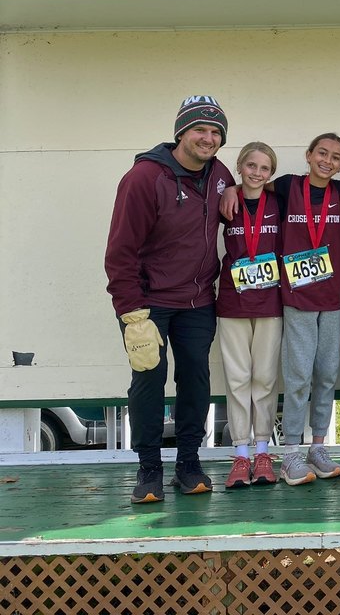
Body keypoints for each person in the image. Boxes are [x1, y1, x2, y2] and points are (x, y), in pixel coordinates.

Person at [105, 94, 232, 503]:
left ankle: (189, 462)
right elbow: (120, 252)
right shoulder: (144, 178)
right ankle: (149, 469)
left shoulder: (219, 174)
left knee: (195, 379)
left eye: (215, 132)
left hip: (197, 301)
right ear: (181, 132)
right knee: (148, 381)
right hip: (148, 303)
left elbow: (241, 191)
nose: (208, 138)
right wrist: (130, 313)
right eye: (200, 130)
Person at [224, 133, 340, 485]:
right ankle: (291, 452)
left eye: (336, 157)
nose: (327, 160)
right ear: (308, 155)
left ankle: (319, 446)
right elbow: (251, 186)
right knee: (297, 379)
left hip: (332, 298)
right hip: (295, 299)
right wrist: (230, 189)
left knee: (326, 375)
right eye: (322, 153)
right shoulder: (284, 186)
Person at [216, 142, 283, 489]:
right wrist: (229, 188)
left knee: (266, 377)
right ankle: (240, 452)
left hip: (270, 302)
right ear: (240, 166)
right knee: (237, 377)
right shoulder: (225, 201)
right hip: (233, 301)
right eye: (251, 166)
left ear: (271, 173)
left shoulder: (279, 202)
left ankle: (262, 449)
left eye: (265, 168)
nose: (257, 173)